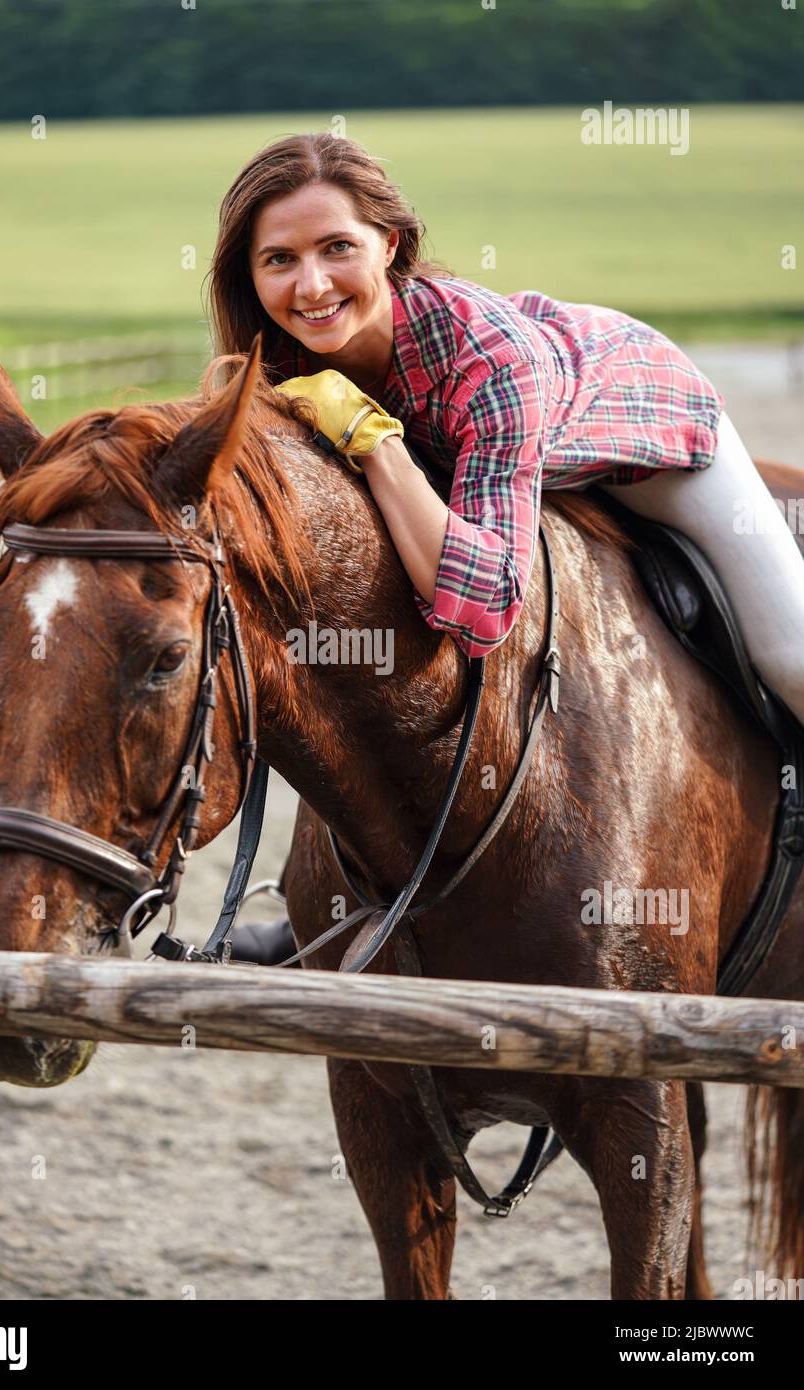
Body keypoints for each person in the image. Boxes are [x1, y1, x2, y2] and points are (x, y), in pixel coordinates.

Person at [206, 132, 804, 963]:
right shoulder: (273, 369)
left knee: (794, 654)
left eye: (337, 247)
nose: (311, 285)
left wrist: (377, 444)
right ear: (251, 277)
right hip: (486, 458)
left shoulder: (488, 358)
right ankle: (319, 902)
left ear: (392, 244)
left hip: (644, 438)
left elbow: (483, 610)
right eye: (280, 260)